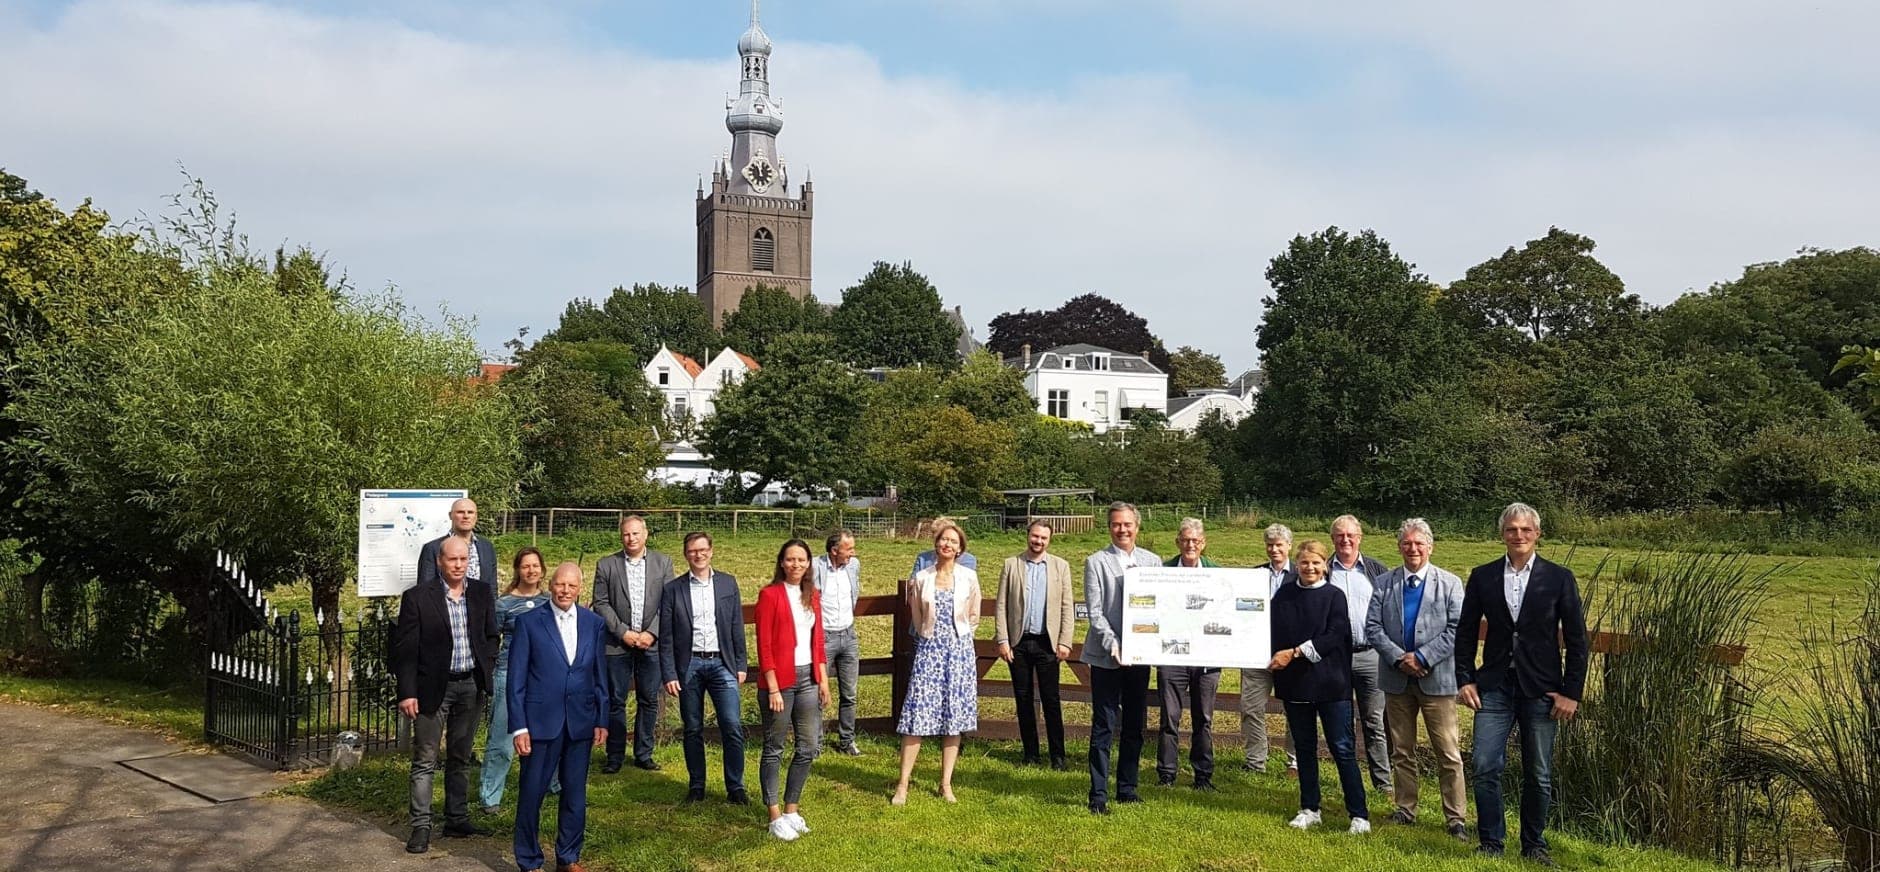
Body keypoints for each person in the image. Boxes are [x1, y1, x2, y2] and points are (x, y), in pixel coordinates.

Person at [1456, 503, 1588, 866]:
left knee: (1539, 772)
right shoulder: (1483, 576)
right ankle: (1491, 843)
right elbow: (1466, 632)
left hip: (1543, 688)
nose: (1519, 536)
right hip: (1495, 686)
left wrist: (1571, 692)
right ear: (1503, 534)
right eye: (1512, 530)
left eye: (1525, 530)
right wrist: (1465, 678)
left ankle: (1534, 845)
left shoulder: (1559, 578)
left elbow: (1578, 640)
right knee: (1484, 764)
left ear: (1537, 534)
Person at [1364, 518, 1468, 841]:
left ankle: (1456, 818)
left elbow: (1457, 629)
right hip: (1396, 680)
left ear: (1430, 547)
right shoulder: (1384, 583)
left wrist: (1422, 657)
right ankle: (1405, 809)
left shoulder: (1450, 583)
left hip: (1436, 681)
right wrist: (1399, 657)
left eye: (1419, 543)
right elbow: (1373, 628)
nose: (1413, 549)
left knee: (1448, 753)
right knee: (1402, 750)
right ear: (1399, 547)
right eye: (1407, 543)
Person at [394, 536, 498, 854]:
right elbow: (406, 650)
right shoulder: (417, 597)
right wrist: (407, 692)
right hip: (431, 688)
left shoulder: (481, 593)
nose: (457, 565)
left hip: (470, 685)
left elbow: (491, 635)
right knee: (425, 759)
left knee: (460, 757)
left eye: (463, 560)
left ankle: (456, 818)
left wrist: (486, 664)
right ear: (440, 561)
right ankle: (421, 826)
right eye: (452, 560)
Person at [507, 562, 610, 872]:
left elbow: (599, 675)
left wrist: (602, 719)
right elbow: (516, 679)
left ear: (580, 589)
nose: (565, 591)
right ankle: (528, 859)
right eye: (560, 585)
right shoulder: (529, 623)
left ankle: (568, 857)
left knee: (575, 795)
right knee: (532, 793)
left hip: (580, 721)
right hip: (540, 723)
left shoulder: (594, 623)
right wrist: (519, 727)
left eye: (572, 586)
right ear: (550, 585)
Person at [1269, 539, 1371, 835]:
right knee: (1304, 748)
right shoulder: (1284, 595)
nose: (1310, 568)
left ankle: (1359, 814)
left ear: (1325, 564)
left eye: (1316, 562)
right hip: (1295, 684)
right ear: (1296, 564)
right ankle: (1310, 808)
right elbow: (1271, 631)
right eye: (1304, 563)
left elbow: (1335, 634)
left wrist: (1296, 652)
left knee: (1342, 748)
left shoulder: (1334, 596)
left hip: (1331, 684)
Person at [892, 523, 981, 805]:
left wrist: (960, 639)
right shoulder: (922, 577)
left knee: (953, 719)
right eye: (943, 540)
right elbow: (916, 616)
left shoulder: (969, 577)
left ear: (960, 548)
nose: (947, 545)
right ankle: (903, 784)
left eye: (953, 541)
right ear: (936, 544)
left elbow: (974, 614)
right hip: (929, 652)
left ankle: (946, 783)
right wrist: (929, 638)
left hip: (959, 653)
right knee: (916, 716)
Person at [659, 531, 750, 804]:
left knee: (732, 725)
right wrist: (669, 673)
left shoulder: (727, 584)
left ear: (711, 551)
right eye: (692, 551)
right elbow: (666, 636)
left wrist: (741, 663)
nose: (698, 555)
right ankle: (697, 785)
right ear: (686, 554)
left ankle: (735, 787)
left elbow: (736, 626)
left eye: (702, 550)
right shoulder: (673, 589)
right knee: (693, 728)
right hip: (689, 665)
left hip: (722, 663)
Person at [1083, 501, 1161, 815]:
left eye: (1127, 524)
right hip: (1107, 656)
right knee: (1103, 725)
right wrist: (1114, 644)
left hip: (1139, 656)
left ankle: (1127, 788)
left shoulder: (1152, 562)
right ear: (1109, 527)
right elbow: (1096, 612)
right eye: (1116, 524)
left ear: (1137, 526)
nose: (1122, 529)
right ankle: (1098, 794)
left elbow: (1159, 608)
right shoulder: (1096, 562)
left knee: (1134, 725)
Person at [755, 539, 830, 841]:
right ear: (782, 563)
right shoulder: (770, 595)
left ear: (809, 563)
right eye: (790, 559)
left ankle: (791, 809)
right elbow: (764, 646)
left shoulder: (812, 595)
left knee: (808, 746)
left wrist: (823, 680)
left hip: (808, 678)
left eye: (801, 560)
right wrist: (773, 688)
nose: (796, 565)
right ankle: (774, 815)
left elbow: (819, 642)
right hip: (780, 681)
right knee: (774, 747)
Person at [591, 514, 674, 774]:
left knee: (648, 699)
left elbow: (669, 603)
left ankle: (643, 753)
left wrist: (651, 633)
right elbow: (601, 603)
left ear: (645, 534)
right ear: (621, 536)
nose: (631, 538)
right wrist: (623, 632)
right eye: (627, 534)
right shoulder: (606, 565)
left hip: (651, 643)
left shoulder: (663, 563)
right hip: (617, 644)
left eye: (636, 533)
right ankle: (614, 755)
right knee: (616, 700)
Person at [994, 521, 1074, 770]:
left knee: (1051, 699)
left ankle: (1057, 755)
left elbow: (1066, 606)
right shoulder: (1011, 565)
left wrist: (1065, 641)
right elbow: (1001, 605)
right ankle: (1030, 753)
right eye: (1035, 536)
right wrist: (1003, 640)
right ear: (1027, 535)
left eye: (1043, 538)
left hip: (1047, 643)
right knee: (1023, 698)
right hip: (1018, 642)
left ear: (1049, 540)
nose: (1038, 541)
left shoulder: (1060, 566)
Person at [479, 547, 554, 813]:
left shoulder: (550, 601)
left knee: (546, 733)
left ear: (542, 570)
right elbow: (491, 639)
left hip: (542, 676)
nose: (531, 571)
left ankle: (551, 784)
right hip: (509, 673)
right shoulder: (504, 604)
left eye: (536, 566)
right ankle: (491, 795)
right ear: (518, 570)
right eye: (526, 566)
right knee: (503, 736)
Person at [1328, 514, 1392, 791]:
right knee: (1340, 721)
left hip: (1370, 656)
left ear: (1360, 538)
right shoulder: (1323, 571)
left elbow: (1391, 611)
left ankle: (1383, 783)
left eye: (1350, 535)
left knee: (1374, 721)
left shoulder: (1377, 571)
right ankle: (1349, 783)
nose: (1345, 540)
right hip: (1335, 658)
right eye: (1340, 535)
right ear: (1332, 539)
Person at [1157, 517, 1221, 791]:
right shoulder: (1163, 570)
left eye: (1195, 540)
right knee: (1169, 717)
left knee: (1203, 719)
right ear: (1177, 542)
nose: (1190, 544)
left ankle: (1203, 776)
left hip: (1207, 657)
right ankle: (1166, 774)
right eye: (1185, 540)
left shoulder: (1217, 573)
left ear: (1203, 543)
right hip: (1172, 655)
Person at [1242, 523, 1298, 776]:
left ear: (1289, 546)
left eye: (1279, 545)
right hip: (1256, 653)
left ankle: (1295, 763)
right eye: (1270, 545)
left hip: (1290, 655)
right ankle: (1256, 761)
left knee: (1295, 708)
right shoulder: (1254, 576)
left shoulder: (1302, 574)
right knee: (1251, 708)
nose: (1274, 549)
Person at [812, 531, 863, 756]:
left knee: (849, 692)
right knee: (817, 692)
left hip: (848, 635)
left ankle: (846, 741)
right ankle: (816, 742)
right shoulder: (815, 567)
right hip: (823, 637)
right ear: (834, 550)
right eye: (849, 549)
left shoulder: (853, 566)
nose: (853, 553)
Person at [417, 498, 501, 635]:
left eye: (470, 512)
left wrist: (491, 619)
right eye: (460, 512)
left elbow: (492, 586)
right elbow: (425, 589)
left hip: (479, 617)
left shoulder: (486, 547)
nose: (466, 516)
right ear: (451, 515)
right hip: (445, 620)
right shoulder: (433, 548)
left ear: (476, 516)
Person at [909, 518, 978, 575]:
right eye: (935, 535)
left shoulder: (968, 560)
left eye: (943, 537)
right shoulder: (923, 558)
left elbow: (966, 584)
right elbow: (913, 583)